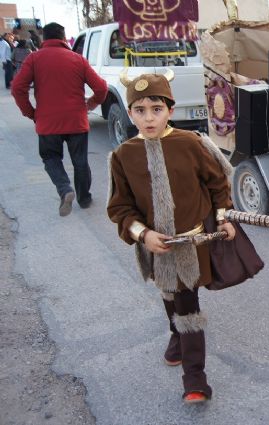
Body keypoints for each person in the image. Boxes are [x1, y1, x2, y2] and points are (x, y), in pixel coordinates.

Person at [107, 72, 237, 404]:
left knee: (187, 303)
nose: (148, 118)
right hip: (153, 246)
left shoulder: (190, 144)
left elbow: (218, 182)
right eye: (139, 110)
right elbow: (120, 207)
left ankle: (195, 378)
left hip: (191, 246)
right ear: (130, 111)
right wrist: (143, 234)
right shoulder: (123, 156)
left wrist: (224, 216)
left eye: (155, 108)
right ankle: (175, 335)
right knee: (168, 294)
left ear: (170, 109)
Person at [11, 22, 107, 216]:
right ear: (64, 38)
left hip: (48, 123)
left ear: (44, 39)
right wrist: (91, 104)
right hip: (76, 121)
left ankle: (65, 189)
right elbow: (101, 88)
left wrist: (31, 112)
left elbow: (17, 88)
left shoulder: (34, 59)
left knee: (50, 158)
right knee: (80, 161)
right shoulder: (77, 59)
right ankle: (84, 198)